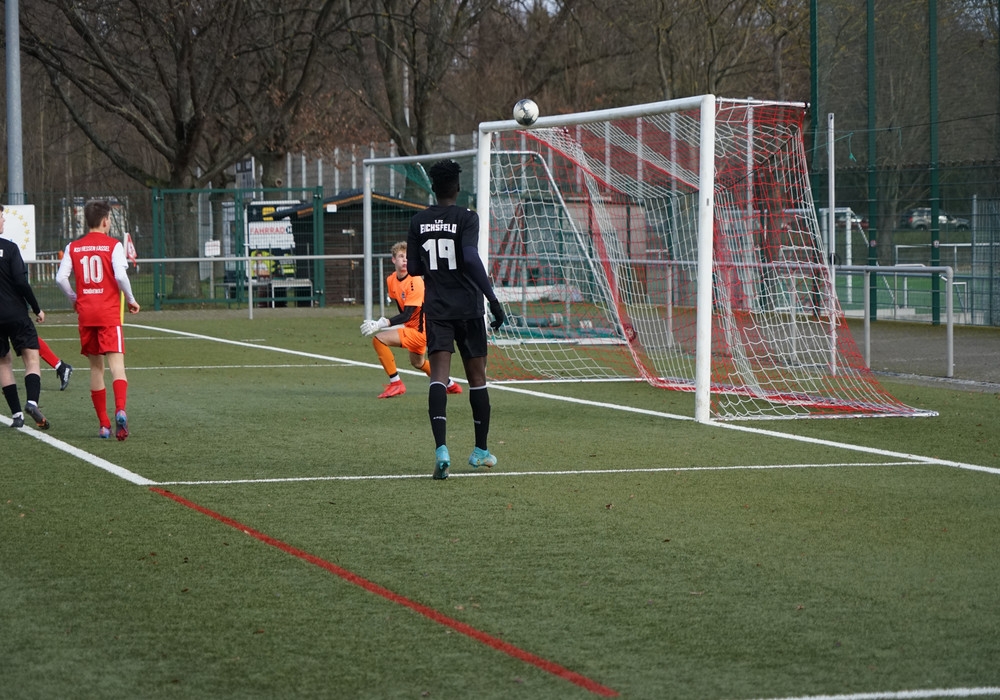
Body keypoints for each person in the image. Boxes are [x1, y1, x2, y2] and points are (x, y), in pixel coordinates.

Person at [406, 160, 506, 479]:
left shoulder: (418, 221)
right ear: (458, 188)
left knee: (438, 376)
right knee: (477, 378)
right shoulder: (467, 217)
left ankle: (441, 450)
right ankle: (480, 451)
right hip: (469, 308)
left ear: (433, 188)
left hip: (438, 309)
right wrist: (493, 299)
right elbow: (471, 257)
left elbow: (414, 268)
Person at [56, 200, 141, 440]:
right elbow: (121, 276)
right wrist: (131, 299)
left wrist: (74, 298)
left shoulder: (73, 247)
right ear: (105, 221)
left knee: (96, 368)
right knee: (117, 367)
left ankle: (104, 425)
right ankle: (120, 410)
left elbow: (60, 278)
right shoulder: (113, 245)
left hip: (86, 314)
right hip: (108, 313)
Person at [360, 241, 463, 399]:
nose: (405, 260)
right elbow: (402, 309)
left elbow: (407, 314)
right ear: (393, 260)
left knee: (378, 340)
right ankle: (450, 384)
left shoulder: (415, 281)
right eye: (401, 256)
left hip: (421, 331)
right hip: (413, 328)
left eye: (408, 257)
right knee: (418, 363)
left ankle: (396, 383)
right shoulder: (391, 280)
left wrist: (382, 323)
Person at [0, 204, 50, 429]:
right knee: (32, 359)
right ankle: (31, 402)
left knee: (3, 362)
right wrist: (37, 308)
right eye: (1, 217)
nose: (3, 220)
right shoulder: (10, 248)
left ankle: (17, 415)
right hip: (16, 314)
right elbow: (21, 282)